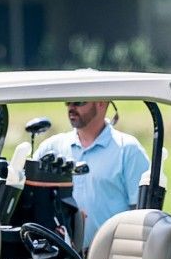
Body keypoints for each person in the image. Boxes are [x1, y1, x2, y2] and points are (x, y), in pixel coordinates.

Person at [36, 100, 151, 248]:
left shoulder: (128, 149)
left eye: (78, 102)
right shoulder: (50, 148)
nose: (71, 108)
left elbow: (141, 214)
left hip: (110, 258)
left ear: (101, 103)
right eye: (68, 102)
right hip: (59, 256)